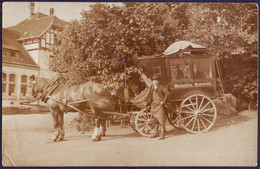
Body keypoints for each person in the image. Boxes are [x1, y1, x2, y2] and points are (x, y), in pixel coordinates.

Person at [144, 74, 170, 140]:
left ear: (158, 81)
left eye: (156, 80)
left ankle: (162, 134)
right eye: (154, 80)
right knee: (155, 120)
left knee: (161, 120)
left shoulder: (161, 87)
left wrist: (163, 101)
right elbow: (150, 97)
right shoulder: (151, 88)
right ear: (152, 81)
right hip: (153, 106)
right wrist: (147, 102)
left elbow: (167, 93)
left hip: (160, 105)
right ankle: (155, 133)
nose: (155, 82)